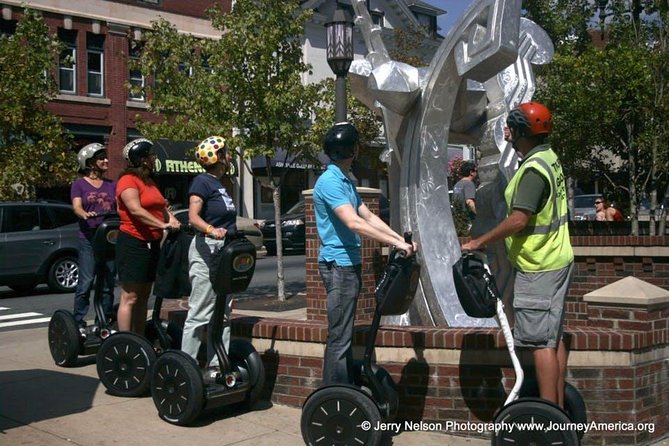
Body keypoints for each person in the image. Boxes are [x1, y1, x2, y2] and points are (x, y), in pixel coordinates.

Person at [461, 102, 574, 408]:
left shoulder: (534, 171)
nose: (507, 132)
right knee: (553, 338)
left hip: (539, 265)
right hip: (557, 259)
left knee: (539, 344)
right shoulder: (548, 158)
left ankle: (549, 419)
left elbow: (519, 220)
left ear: (523, 132)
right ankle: (559, 409)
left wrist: (477, 242)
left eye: (511, 126)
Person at [314, 122, 417, 385]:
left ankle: (344, 388)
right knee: (339, 337)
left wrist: (398, 239)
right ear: (353, 150)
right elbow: (354, 223)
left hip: (349, 264)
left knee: (344, 333)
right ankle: (334, 394)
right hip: (339, 266)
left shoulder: (345, 180)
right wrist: (396, 244)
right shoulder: (330, 181)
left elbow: (368, 215)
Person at [181, 136, 237, 370]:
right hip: (206, 249)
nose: (230, 154)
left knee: (223, 312)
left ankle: (217, 366)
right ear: (218, 156)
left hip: (224, 251)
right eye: (226, 151)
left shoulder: (222, 184)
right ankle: (186, 366)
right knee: (200, 312)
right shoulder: (202, 182)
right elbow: (193, 217)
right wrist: (211, 230)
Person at [115, 138, 181, 335]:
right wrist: (163, 225)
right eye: (151, 155)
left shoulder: (149, 181)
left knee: (144, 295)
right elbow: (135, 210)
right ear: (142, 159)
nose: (154, 158)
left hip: (152, 243)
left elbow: (161, 207)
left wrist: (174, 220)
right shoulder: (127, 181)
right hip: (133, 242)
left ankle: (140, 338)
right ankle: (125, 340)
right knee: (130, 296)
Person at [70, 143, 116, 335]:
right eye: (101, 158)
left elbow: (120, 207)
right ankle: (79, 322)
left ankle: (102, 321)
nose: (106, 160)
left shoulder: (112, 184)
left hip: (108, 238)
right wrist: (84, 215)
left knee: (107, 284)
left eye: (105, 156)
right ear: (90, 163)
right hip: (88, 238)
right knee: (86, 282)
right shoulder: (79, 185)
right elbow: (77, 207)